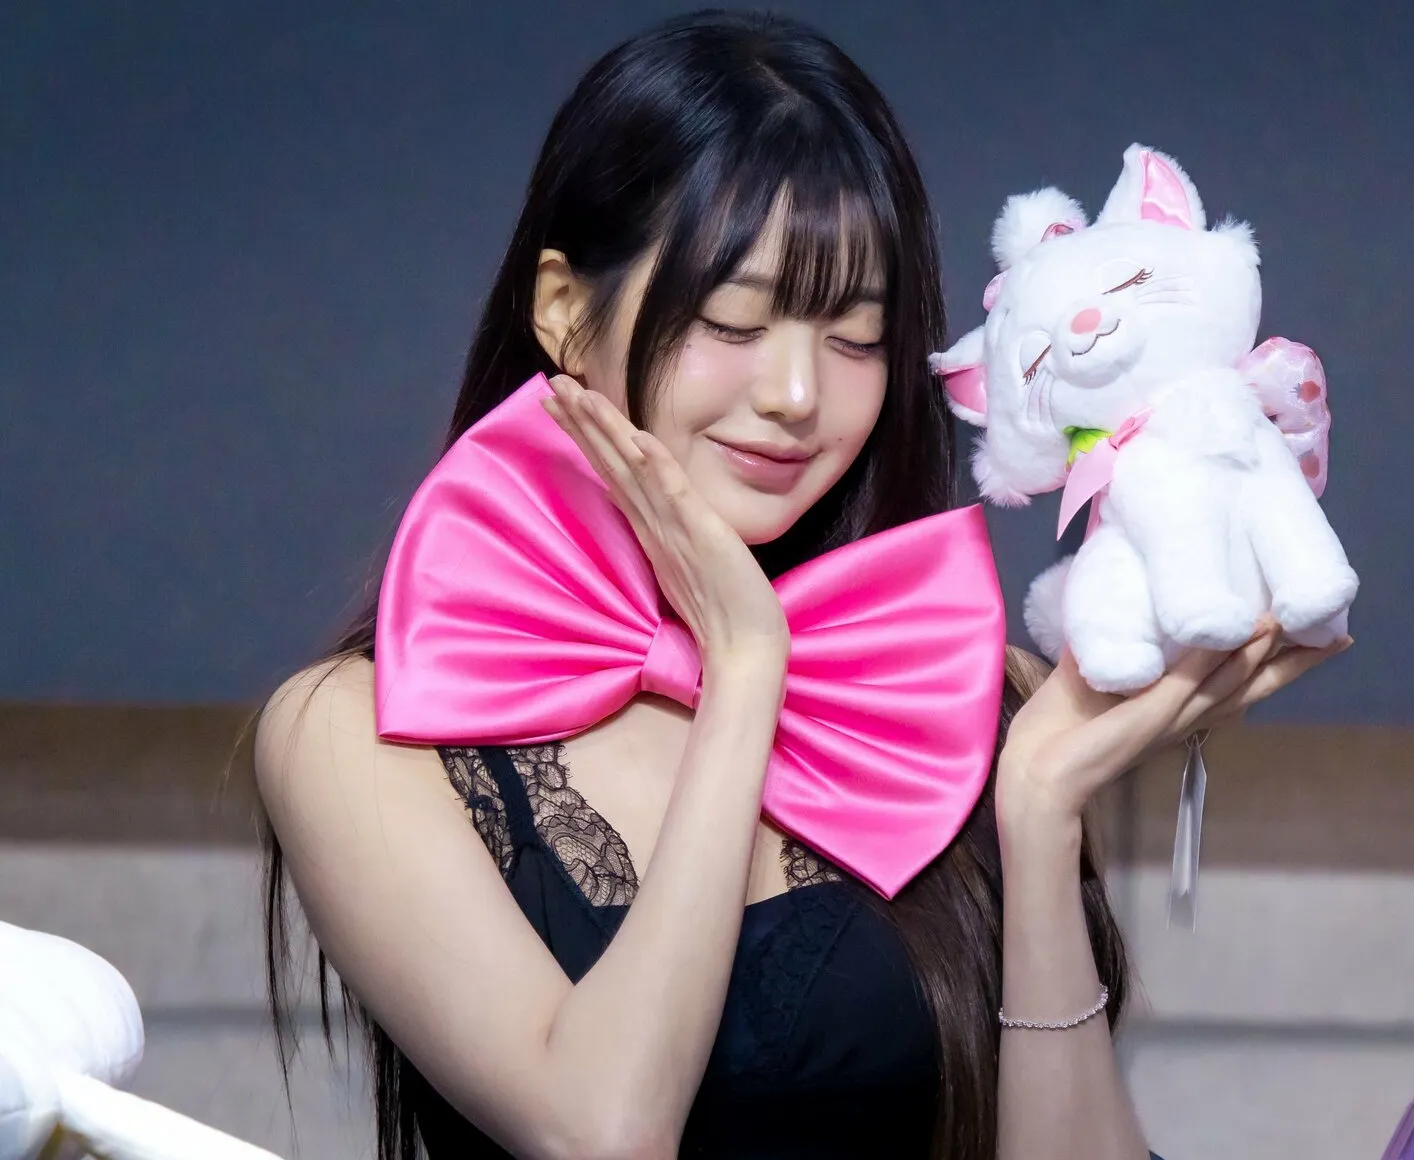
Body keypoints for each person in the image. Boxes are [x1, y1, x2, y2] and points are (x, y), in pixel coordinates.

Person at [252, 10, 1349, 1160]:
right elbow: (603, 1132)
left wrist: (1034, 812)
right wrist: (743, 668)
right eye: (734, 318)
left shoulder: (954, 697)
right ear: (566, 312)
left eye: (855, 336)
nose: (794, 394)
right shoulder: (355, 731)